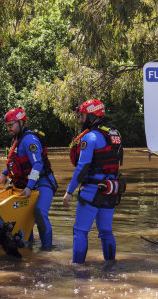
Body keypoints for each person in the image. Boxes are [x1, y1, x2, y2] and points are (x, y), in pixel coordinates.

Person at [62, 99, 125, 264]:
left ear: (91, 115)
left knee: (80, 231)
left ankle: (77, 271)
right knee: (106, 231)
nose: (80, 120)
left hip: (92, 189)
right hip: (111, 188)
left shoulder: (89, 137)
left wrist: (69, 192)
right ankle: (111, 266)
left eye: (82, 116)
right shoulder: (114, 134)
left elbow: (82, 169)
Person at [0, 107, 57, 249]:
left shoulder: (29, 139)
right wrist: (5, 173)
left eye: (11, 125)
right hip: (25, 184)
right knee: (22, 218)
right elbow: (18, 162)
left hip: (43, 183)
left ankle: (47, 249)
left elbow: (37, 164)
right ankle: (27, 247)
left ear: (21, 122)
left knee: (39, 213)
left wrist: (30, 186)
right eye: (7, 126)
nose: (9, 129)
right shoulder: (16, 140)